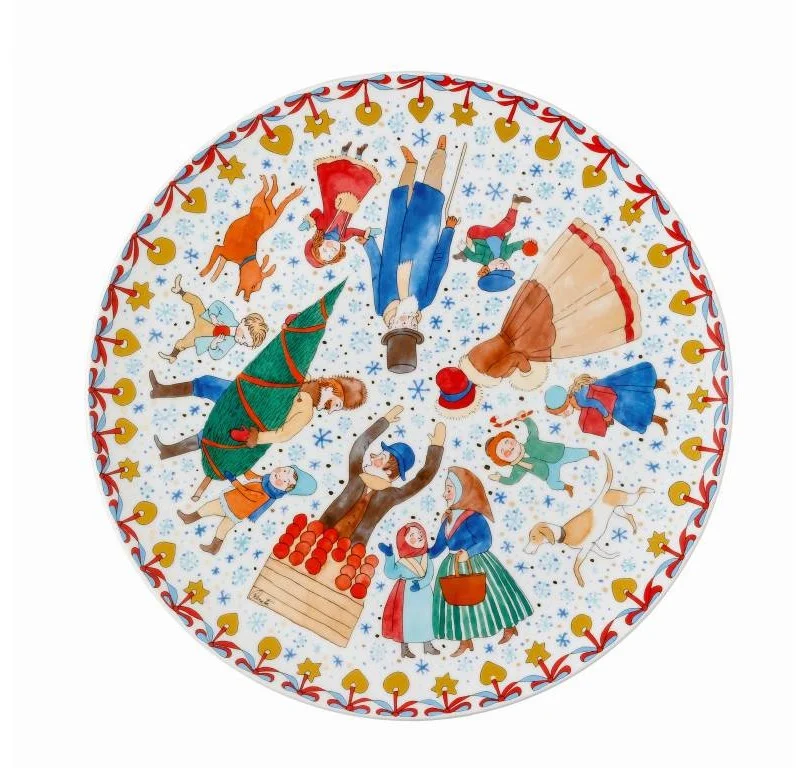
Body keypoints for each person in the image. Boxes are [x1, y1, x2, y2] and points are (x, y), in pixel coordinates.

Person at [458, 217, 642, 392]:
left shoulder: (488, 374)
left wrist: (527, 374)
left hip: (524, 340)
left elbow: (516, 357)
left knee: (566, 319)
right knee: (553, 288)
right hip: (513, 325)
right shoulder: (472, 357)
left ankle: (606, 293)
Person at [360, 136, 459, 373]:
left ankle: (410, 165)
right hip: (423, 237)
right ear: (415, 326)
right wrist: (448, 231)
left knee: (400, 198)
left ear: (391, 327)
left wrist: (369, 244)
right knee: (430, 195)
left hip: (394, 240)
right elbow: (439, 265)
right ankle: (440, 153)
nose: (405, 320)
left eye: (399, 325)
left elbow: (377, 271)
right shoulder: (424, 299)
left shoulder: (381, 306)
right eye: (410, 326)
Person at [430, 467, 533, 657]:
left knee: (493, 596)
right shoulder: (447, 518)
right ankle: (465, 640)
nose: (444, 494)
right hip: (453, 564)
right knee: (457, 603)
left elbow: (486, 541)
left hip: (476, 561)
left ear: (462, 491)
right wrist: (419, 553)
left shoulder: (474, 517)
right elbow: (438, 546)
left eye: (449, 489)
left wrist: (469, 553)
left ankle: (509, 627)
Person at [149, 371, 366, 460]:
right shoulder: (305, 378)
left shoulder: (306, 410)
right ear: (332, 387)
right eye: (336, 404)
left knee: (213, 431)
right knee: (209, 383)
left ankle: (170, 450)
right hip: (249, 396)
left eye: (337, 408)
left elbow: (283, 434)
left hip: (253, 416)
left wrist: (257, 437)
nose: (330, 409)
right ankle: (162, 391)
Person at [316, 405, 446, 545]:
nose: (373, 458)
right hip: (321, 532)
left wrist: (436, 449)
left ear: (389, 470)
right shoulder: (358, 477)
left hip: (352, 548)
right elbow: (359, 446)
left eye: (380, 457)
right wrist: (384, 422)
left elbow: (421, 480)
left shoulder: (390, 495)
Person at [177, 464, 316, 554]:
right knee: (222, 526)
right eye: (285, 470)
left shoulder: (266, 494)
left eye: (285, 480)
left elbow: (247, 493)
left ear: (286, 489)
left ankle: (191, 520)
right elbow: (252, 476)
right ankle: (213, 546)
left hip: (233, 505)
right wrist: (244, 467)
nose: (281, 474)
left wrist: (234, 480)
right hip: (237, 510)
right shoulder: (265, 480)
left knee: (210, 510)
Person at [301, 142, 381, 268]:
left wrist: (309, 221)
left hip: (334, 193)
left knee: (341, 175)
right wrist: (366, 233)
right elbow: (353, 232)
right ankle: (359, 155)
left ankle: (344, 152)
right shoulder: (342, 237)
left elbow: (317, 212)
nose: (330, 249)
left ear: (318, 244)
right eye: (331, 255)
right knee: (356, 180)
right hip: (351, 201)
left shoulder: (322, 227)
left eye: (324, 250)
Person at [158, 274, 267, 363]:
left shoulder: (230, 343)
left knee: (183, 343)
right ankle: (179, 291)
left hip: (201, 336)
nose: (241, 340)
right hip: (204, 320)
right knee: (196, 301)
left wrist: (214, 343)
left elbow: (217, 355)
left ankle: (172, 356)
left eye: (245, 343)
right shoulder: (230, 318)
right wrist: (213, 317)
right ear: (243, 322)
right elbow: (218, 305)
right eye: (243, 336)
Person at [544, 363, 670, 436]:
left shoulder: (580, 399)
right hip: (612, 389)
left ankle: (658, 417)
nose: (565, 415)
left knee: (633, 412)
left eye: (563, 411)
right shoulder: (576, 393)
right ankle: (659, 388)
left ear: (566, 402)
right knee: (634, 388)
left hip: (613, 401)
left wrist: (606, 416)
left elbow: (597, 404)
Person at [485, 417, 598, 497]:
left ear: (512, 438)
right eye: (503, 451)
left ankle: (590, 453)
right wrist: (499, 478)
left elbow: (533, 430)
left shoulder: (530, 443)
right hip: (548, 472)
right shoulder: (518, 468)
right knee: (553, 484)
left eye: (507, 442)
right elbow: (512, 480)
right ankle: (567, 487)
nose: (509, 447)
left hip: (558, 454)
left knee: (575, 454)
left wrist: (526, 420)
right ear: (503, 460)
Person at [379, 522, 439, 659]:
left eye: (420, 533)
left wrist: (421, 584)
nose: (418, 536)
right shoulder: (403, 562)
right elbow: (391, 573)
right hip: (406, 594)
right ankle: (404, 648)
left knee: (426, 617)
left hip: (424, 594)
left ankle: (427, 645)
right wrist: (389, 556)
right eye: (412, 535)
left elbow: (429, 574)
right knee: (405, 620)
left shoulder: (426, 558)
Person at [453, 196, 538, 292]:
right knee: (509, 224)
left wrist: (462, 247)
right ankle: (516, 202)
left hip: (478, 235)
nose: (503, 265)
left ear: (488, 269)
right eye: (506, 269)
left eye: (497, 268)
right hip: (497, 234)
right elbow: (514, 247)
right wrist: (526, 241)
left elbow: (472, 256)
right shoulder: (505, 255)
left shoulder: (482, 259)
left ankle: (463, 254)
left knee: (469, 243)